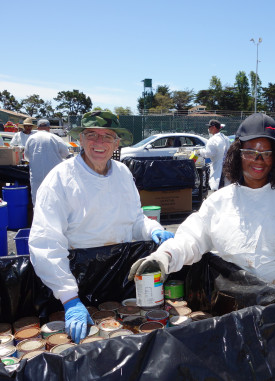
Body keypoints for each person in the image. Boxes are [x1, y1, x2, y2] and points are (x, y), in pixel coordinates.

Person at [129, 113, 275, 341]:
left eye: (267, 153)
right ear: (237, 154)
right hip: (240, 319)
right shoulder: (220, 202)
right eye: (251, 152)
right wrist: (164, 257)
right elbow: (191, 238)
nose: (259, 159)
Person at [28, 110, 174, 344]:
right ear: (81, 140)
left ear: (117, 142)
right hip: (76, 282)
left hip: (120, 279)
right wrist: (69, 299)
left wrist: (152, 230)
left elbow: (134, 219)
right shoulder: (61, 178)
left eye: (107, 136)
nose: (99, 142)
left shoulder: (123, 173)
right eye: (92, 135)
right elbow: (45, 243)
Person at [24, 119, 71, 205]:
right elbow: (65, 153)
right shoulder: (55, 138)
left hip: (36, 177)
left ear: (38, 128)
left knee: (37, 202)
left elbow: (26, 157)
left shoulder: (31, 139)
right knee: (54, 202)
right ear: (49, 128)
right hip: (53, 176)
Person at [199, 119, 230, 191]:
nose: (208, 129)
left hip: (218, 167)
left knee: (219, 189)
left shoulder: (213, 139)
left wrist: (200, 152)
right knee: (225, 189)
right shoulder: (225, 138)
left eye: (209, 127)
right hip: (227, 166)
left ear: (213, 127)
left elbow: (209, 153)